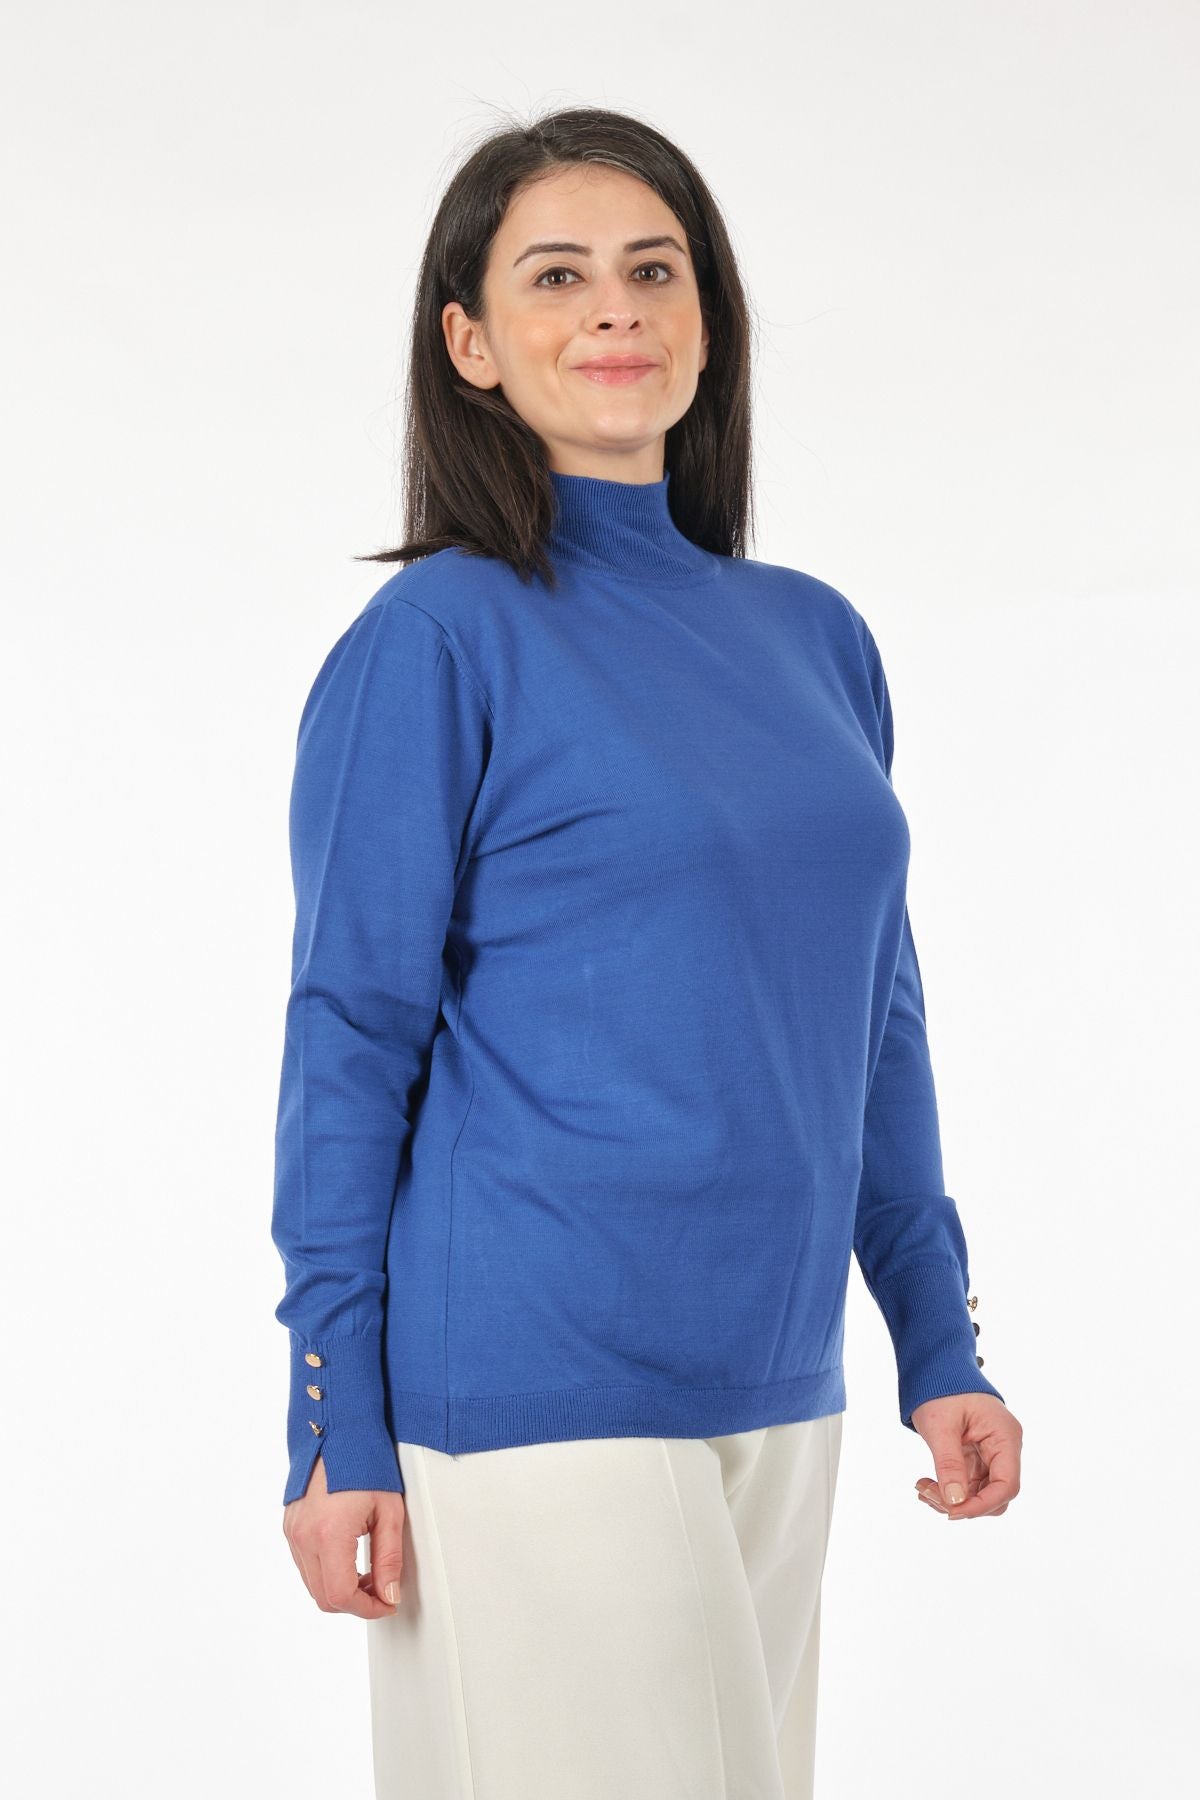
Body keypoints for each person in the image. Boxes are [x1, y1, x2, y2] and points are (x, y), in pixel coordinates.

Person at [270, 105, 1023, 1799]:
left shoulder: (816, 639)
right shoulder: (436, 638)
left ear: (707, 320)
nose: (615, 306)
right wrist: (332, 1418)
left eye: (654, 269)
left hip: (781, 1378)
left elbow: (874, 1023)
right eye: (557, 275)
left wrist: (938, 1338)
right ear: (470, 342)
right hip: (533, 1376)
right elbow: (350, 1037)